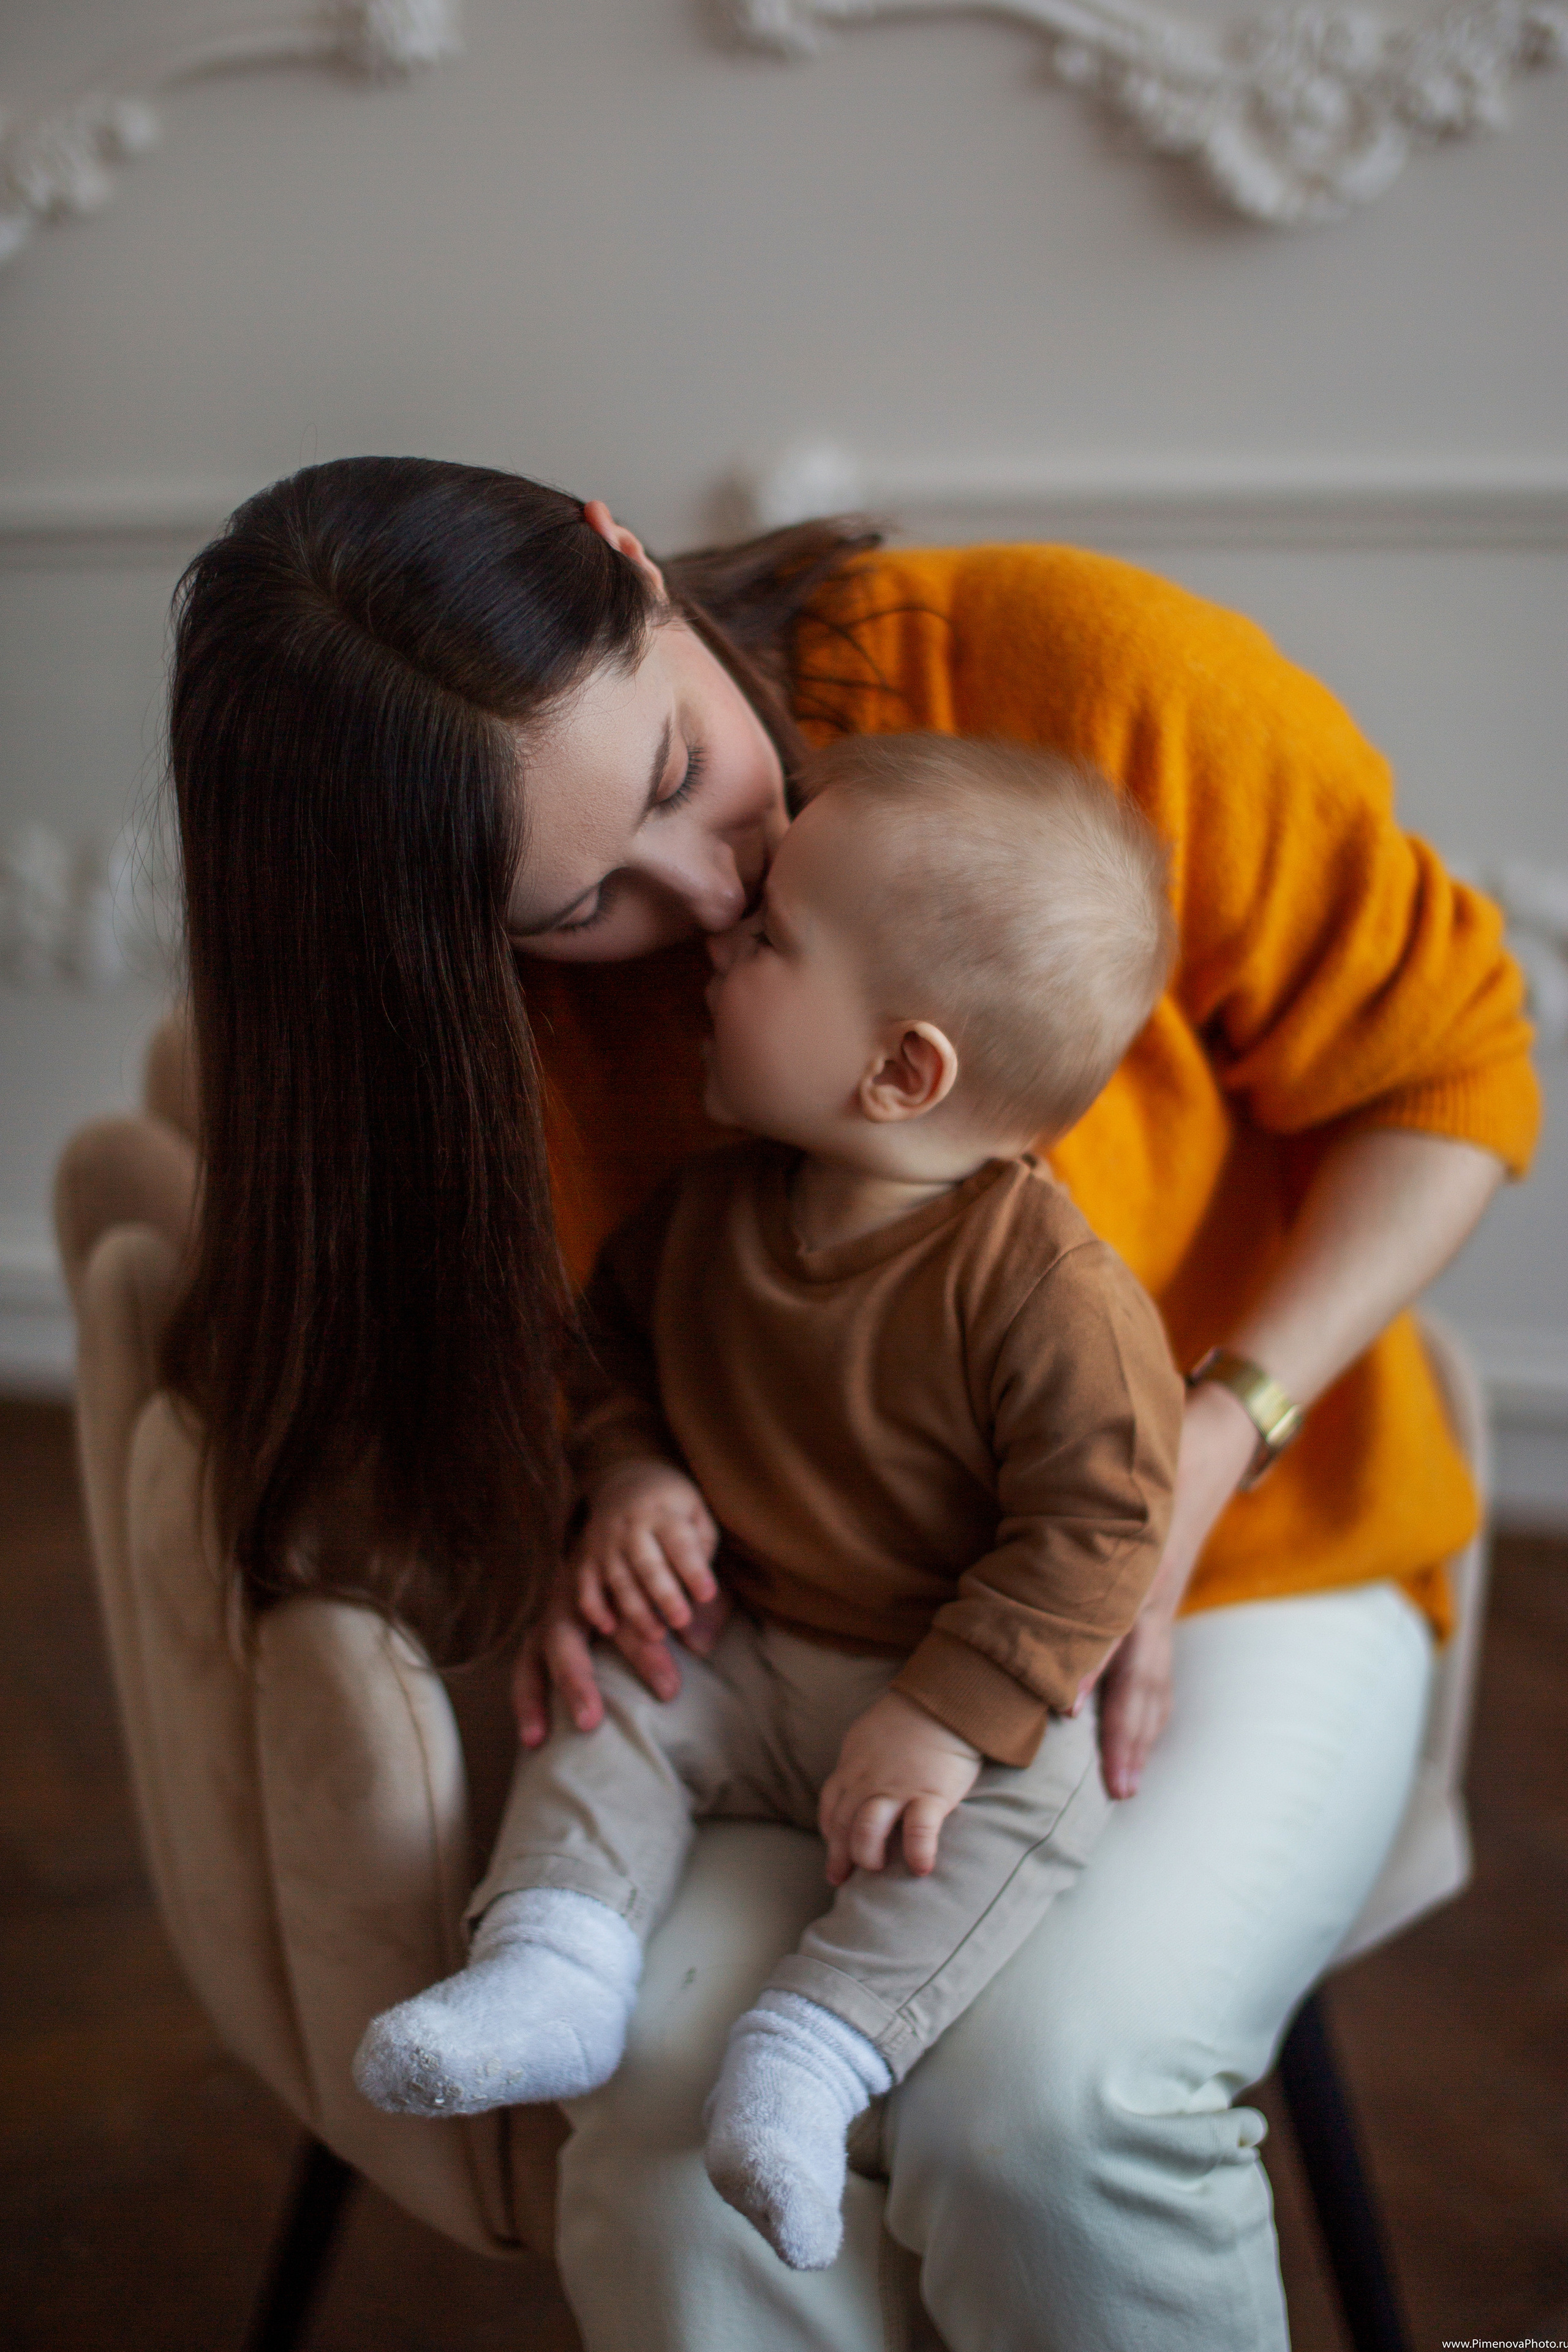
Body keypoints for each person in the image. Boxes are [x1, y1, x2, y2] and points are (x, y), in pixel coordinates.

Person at [154, 456, 1536, 2351]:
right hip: (800, 1644)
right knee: (657, 2143)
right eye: (578, 910)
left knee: (1047, 2115)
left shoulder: (1073, 673)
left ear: (621, 552)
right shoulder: (452, 1028)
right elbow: (542, 1376)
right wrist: (591, 1506)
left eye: (671, 781)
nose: (713, 895)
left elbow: (1446, 1077)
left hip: (1244, 1570)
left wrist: (1206, 1450)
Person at [349, 736, 1186, 2273]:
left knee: (1037, 1791)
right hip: (735, 1640)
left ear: (900, 1068)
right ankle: (555, 1962)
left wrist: (943, 1713)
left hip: (918, 1679)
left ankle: (812, 2051)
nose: (712, 946)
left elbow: (1098, 1527)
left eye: (766, 940)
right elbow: (606, 1359)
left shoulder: (1043, 1292)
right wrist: (633, 1474)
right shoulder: (710, 1210)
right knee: (604, 1682)